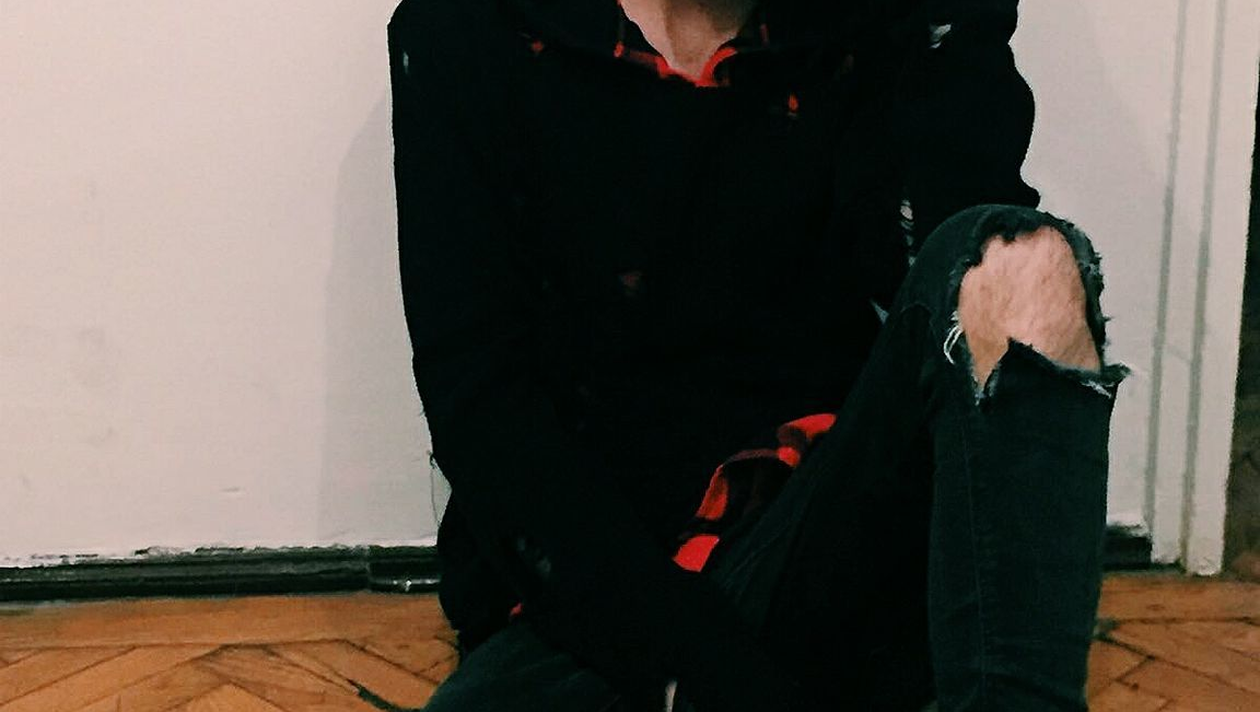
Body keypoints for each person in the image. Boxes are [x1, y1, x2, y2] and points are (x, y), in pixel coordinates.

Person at [387, 0, 1129, 709]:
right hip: (604, 590)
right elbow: (482, 404)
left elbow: (968, 290)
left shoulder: (867, 23)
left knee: (1023, 266)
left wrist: (946, 27)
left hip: (819, 545)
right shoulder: (472, 27)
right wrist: (717, 680)